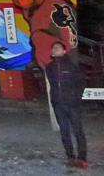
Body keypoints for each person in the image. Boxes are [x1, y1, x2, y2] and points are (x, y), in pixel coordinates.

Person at [46, 41, 87, 169]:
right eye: (53, 47)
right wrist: (54, 101)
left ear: (64, 51)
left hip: (72, 104)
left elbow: (81, 82)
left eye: (58, 47)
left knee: (78, 131)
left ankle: (82, 158)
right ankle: (70, 157)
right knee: (64, 132)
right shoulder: (50, 67)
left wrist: (76, 98)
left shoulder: (71, 66)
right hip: (58, 105)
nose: (55, 48)